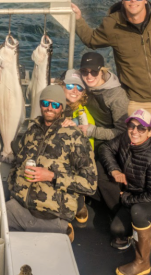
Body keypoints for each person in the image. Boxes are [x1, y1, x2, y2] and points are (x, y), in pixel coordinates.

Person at [72, 0, 151, 184]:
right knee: (133, 153)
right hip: (137, 100)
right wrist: (78, 19)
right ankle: (136, 194)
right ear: (122, 0)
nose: (133, 0)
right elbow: (91, 40)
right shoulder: (112, 25)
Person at [7, 85, 97, 241]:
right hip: (18, 208)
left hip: (52, 215)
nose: (49, 108)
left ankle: (65, 230)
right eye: (45, 103)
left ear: (62, 107)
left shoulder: (75, 136)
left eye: (55, 104)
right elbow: (17, 163)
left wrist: (52, 176)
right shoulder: (31, 130)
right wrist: (12, 190)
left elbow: (90, 184)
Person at [98, 109, 151, 275]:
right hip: (135, 193)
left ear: (150, 132)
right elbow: (105, 148)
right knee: (117, 230)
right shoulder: (126, 138)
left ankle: (142, 262)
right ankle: (140, 224)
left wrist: (126, 198)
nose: (134, 131)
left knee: (138, 211)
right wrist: (114, 170)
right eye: (131, 125)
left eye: (141, 128)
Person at [71, 52, 130, 226]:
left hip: (111, 141)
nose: (89, 76)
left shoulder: (116, 95)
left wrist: (92, 131)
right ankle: (81, 196)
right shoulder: (83, 86)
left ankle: (119, 213)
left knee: (100, 175)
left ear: (102, 71)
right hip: (91, 138)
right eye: (84, 71)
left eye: (94, 72)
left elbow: (121, 131)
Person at [61, 70, 96, 224]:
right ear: (62, 86)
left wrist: (73, 123)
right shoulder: (55, 106)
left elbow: (83, 122)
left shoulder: (81, 110)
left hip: (79, 162)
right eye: (70, 85)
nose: (74, 91)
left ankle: (79, 196)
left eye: (79, 88)